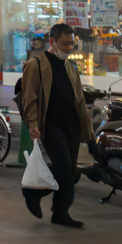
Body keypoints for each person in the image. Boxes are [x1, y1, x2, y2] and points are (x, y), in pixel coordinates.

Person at [21, 22, 93, 228]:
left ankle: (60, 211)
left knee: (70, 171)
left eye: (72, 44)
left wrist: (88, 132)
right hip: (51, 125)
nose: (69, 48)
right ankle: (33, 192)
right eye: (65, 44)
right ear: (52, 41)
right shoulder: (37, 64)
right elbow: (30, 97)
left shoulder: (70, 67)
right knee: (62, 168)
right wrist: (32, 122)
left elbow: (79, 100)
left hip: (71, 124)